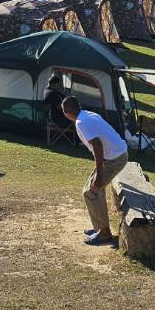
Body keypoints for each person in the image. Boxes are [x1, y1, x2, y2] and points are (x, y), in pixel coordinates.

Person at [62, 96, 129, 247]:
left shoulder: (81, 122)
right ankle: (99, 228)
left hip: (114, 158)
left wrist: (98, 174)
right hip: (117, 153)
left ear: (66, 112)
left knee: (92, 192)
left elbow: (98, 146)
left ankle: (104, 234)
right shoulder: (88, 114)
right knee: (90, 190)